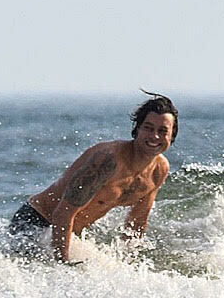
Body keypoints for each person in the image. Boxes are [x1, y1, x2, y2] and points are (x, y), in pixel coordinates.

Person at [9, 92, 177, 263]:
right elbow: (63, 212)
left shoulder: (159, 170)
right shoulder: (108, 160)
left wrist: (129, 265)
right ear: (137, 129)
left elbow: (136, 223)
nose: (154, 136)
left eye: (162, 131)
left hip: (68, 234)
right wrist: (62, 264)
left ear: (172, 136)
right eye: (148, 128)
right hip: (36, 223)